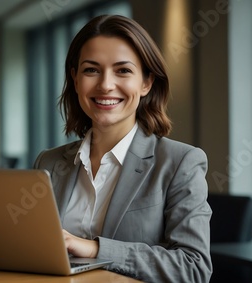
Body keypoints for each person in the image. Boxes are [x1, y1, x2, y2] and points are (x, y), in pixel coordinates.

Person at [33, 15, 212, 282]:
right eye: (91, 70)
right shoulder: (48, 162)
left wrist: (94, 248)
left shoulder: (180, 163)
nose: (105, 84)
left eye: (123, 70)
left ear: (146, 83)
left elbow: (193, 267)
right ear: (75, 79)